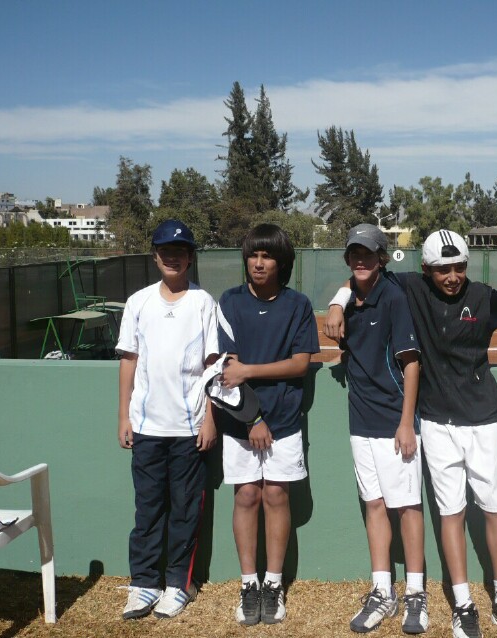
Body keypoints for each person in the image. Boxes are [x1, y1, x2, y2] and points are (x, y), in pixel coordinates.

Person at [325, 229, 497, 638]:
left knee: (495, 508)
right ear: (426, 270)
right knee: (451, 513)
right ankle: (462, 603)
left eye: (459, 267)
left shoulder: (483, 297)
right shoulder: (411, 288)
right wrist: (337, 302)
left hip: (485, 420)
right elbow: (362, 273)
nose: (452, 276)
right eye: (443, 269)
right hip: (436, 424)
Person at [216, 223, 319, 626]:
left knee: (276, 495)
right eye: (253, 255)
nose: (258, 263)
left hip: (286, 423)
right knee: (246, 497)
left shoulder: (297, 305)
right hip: (241, 423)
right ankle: (249, 583)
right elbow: (224, 368)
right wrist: (253, 417)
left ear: (281, 262)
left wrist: (250, 371)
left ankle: (273, 584)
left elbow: (299, 363)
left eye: (267, 256)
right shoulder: (229, 302)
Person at [116, 219, 219, 620]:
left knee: (185, 511)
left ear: (190, 257)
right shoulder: (138, 302)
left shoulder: (204, 303)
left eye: (180, 251)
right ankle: (143, 583)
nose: (172, 257)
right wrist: (123, 415)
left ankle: (178, 584)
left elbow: (214, 367)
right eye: (165, 250)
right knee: (147, 510)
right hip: (146, 428)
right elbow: (129, 359)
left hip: (190, 429)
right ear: (155, 255)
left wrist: (210, 419)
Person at [338, 224, 428, 634]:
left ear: (380, 257)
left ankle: (415, 594)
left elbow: (411, 363)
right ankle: (381, 591)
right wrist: (337, 302)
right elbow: (349, 287)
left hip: (395, 423)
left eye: (368, 254)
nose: (361, 260)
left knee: (407, 507)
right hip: (360, 422)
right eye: (354, 253)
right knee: (374, 504)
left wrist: (406, 423)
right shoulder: (351, 298)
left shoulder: (393, 297)